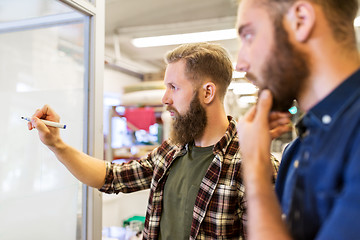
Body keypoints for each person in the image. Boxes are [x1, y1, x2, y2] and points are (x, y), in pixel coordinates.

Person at [28, 42, 288, 239]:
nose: (165, 98)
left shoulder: (254, 165)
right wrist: (56, 145)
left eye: (174, 87)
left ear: (207, 92)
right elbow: (112, 176)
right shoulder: (172, 151)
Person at [235, 0, 360, 239]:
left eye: (249, 35)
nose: (241, 64)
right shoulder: (297, 150)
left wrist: (255, 169)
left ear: (300, 20)